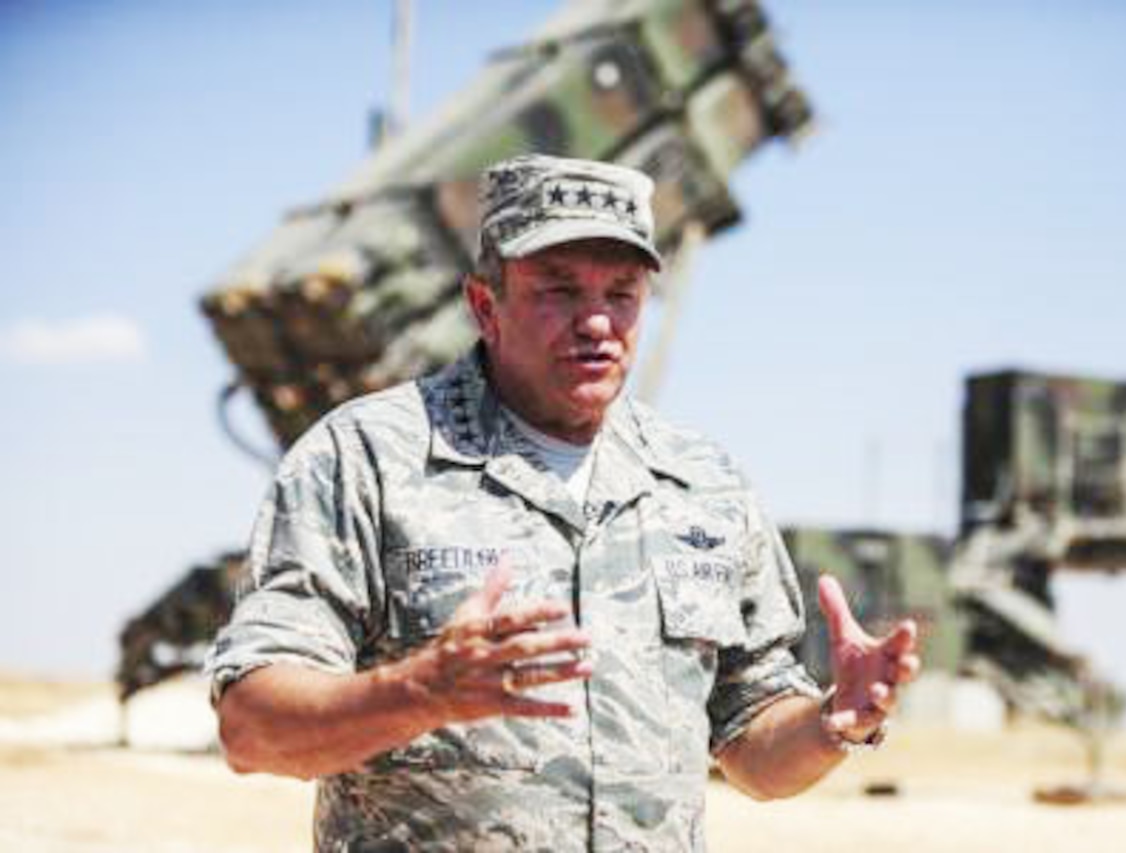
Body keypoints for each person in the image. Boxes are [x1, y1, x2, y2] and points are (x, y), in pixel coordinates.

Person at [207, 154, 919, 852]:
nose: (597, 322)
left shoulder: (702, 483)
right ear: (485, 305)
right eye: (558, 289)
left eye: (621, 292)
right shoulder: (367, 459)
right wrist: (420, 692)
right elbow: (251, 728)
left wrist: (835, 721)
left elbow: (752, 749)